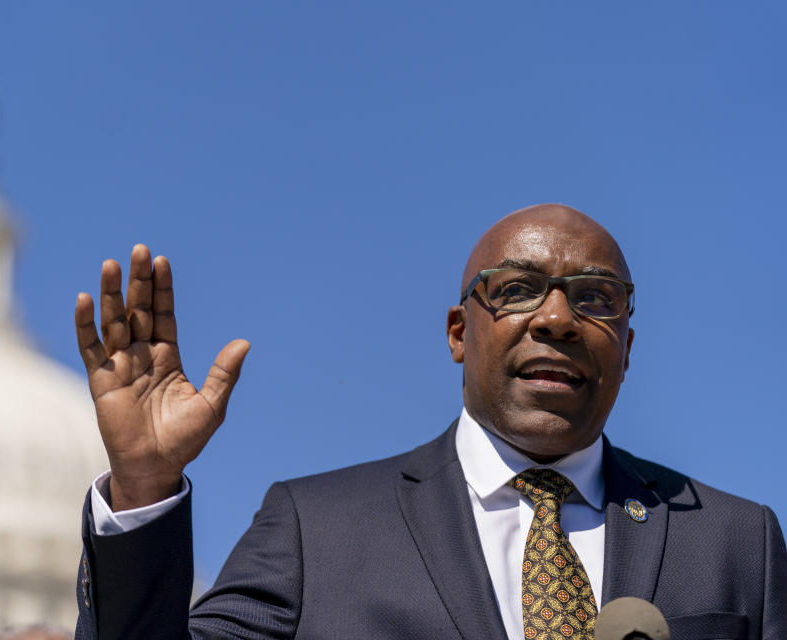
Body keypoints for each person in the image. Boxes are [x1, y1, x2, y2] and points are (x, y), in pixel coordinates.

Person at [72, 204, 786, 639]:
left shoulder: (734, 542)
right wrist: (146, 485)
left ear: (626, 348)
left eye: (596, 299)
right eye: (517, 291)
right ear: (457, 333)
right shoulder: (316, 530)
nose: (558, 318)